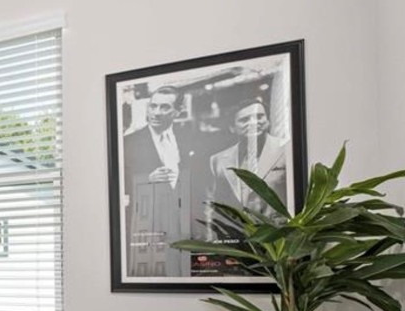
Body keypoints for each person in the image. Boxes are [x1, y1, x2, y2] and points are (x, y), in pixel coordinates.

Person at [120, 86, 207, 277]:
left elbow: (200, 181)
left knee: (184, 273)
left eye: (164, 107)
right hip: (148, 226)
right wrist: (146, 180)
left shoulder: (190, 139)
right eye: (153, 106)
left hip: (185, 224)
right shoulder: (127, 143)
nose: (156, 113)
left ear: (177, 111)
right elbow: (115, 187)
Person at [205, 98, 290, 230]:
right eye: (244, 120)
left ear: (268, 121)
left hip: (279, 238)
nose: (253, 123)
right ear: (232, 127)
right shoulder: (218, 160)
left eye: (259, 116)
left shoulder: (286, 149)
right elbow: (213, 205)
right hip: (238, 240)